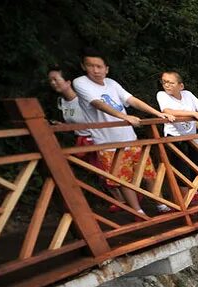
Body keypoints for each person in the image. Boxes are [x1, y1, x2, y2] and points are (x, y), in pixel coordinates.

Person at [72, 48, 172, 215]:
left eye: (99, 66)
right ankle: (138, 212)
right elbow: (97, 103)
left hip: (129, 137)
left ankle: (161, 205)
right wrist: (123, 117)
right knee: (123, 180)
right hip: (108, 143)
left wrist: (157, 113)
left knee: (148, 174)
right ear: (83, 66)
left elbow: (131, 99)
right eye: (91, 66)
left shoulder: (111, 83)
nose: (96, 70)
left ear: (106, 69)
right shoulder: (80, 82)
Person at [156, 71, 198, 202]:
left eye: (171, 82)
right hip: (175, 138)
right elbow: (167, 111)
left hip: (192, 137)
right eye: (164, 82)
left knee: (197, 169)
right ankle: (186, 205)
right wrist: (192, 113)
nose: (167, 85)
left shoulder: (187, 95)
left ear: (180, 86)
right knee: (181, 172)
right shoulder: (161, 95)